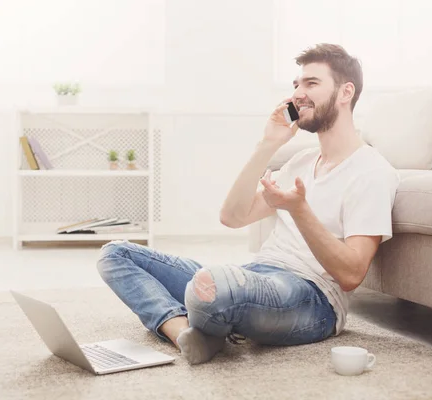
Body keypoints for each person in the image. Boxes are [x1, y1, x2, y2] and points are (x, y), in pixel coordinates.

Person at [97, 43, 400, 365]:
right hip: (255, 275)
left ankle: (211, 313)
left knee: (215, 285)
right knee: (116, 254)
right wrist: (268, 144)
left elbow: (351, 274)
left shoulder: (373, 172)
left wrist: (299, 210)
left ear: (345, 92)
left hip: (312, 297)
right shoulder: (301, 161)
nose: (298, 93)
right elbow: (232, 216)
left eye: (311, 83)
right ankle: (184, 332)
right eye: (296, 85)